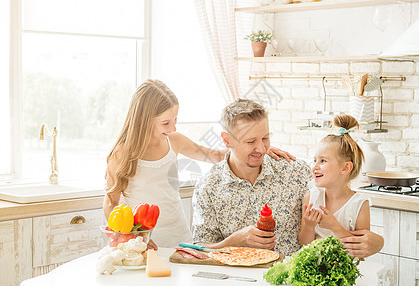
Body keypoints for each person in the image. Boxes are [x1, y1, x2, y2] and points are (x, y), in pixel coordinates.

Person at [103, 79, 294, 249]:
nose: (173, 127)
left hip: (177, 232)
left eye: (175, 120)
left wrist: (256, 149)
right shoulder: (122, 154)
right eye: (166, 123)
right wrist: (130, 236)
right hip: (140, 238)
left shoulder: (174, 140)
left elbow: (215, 155)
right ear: (144, 120)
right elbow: (111, 202)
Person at [192, 99, 384, 257]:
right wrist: (233, 241)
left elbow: (341, 189)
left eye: (265, 138)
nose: (261, 149)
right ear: (227, 140)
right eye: (251, 141)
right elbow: (197, 249)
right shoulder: (208, 187)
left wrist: (377, 242)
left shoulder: (295, 172)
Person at [298, 115, 370, 248]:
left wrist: (334, 226)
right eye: (315, 161)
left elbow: (360, 249)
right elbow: (304, 243)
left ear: (345, 168)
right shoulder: (311, 197)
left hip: (345, 267)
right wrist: (308, 226)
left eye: (323, 161)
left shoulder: (359, 204)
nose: (314, 167)